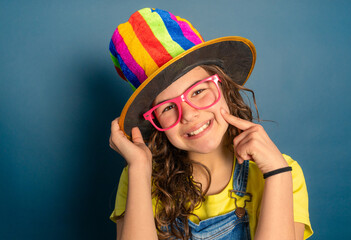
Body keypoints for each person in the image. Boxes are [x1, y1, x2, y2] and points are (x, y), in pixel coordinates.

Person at [108, 8, 313, 240]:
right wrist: (138, 170)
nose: (188, 114)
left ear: (223, 86)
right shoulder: (139, 175)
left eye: (198, 91)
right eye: (167, 107)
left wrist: (277, 174)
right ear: (154, 121)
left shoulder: (284, 171)